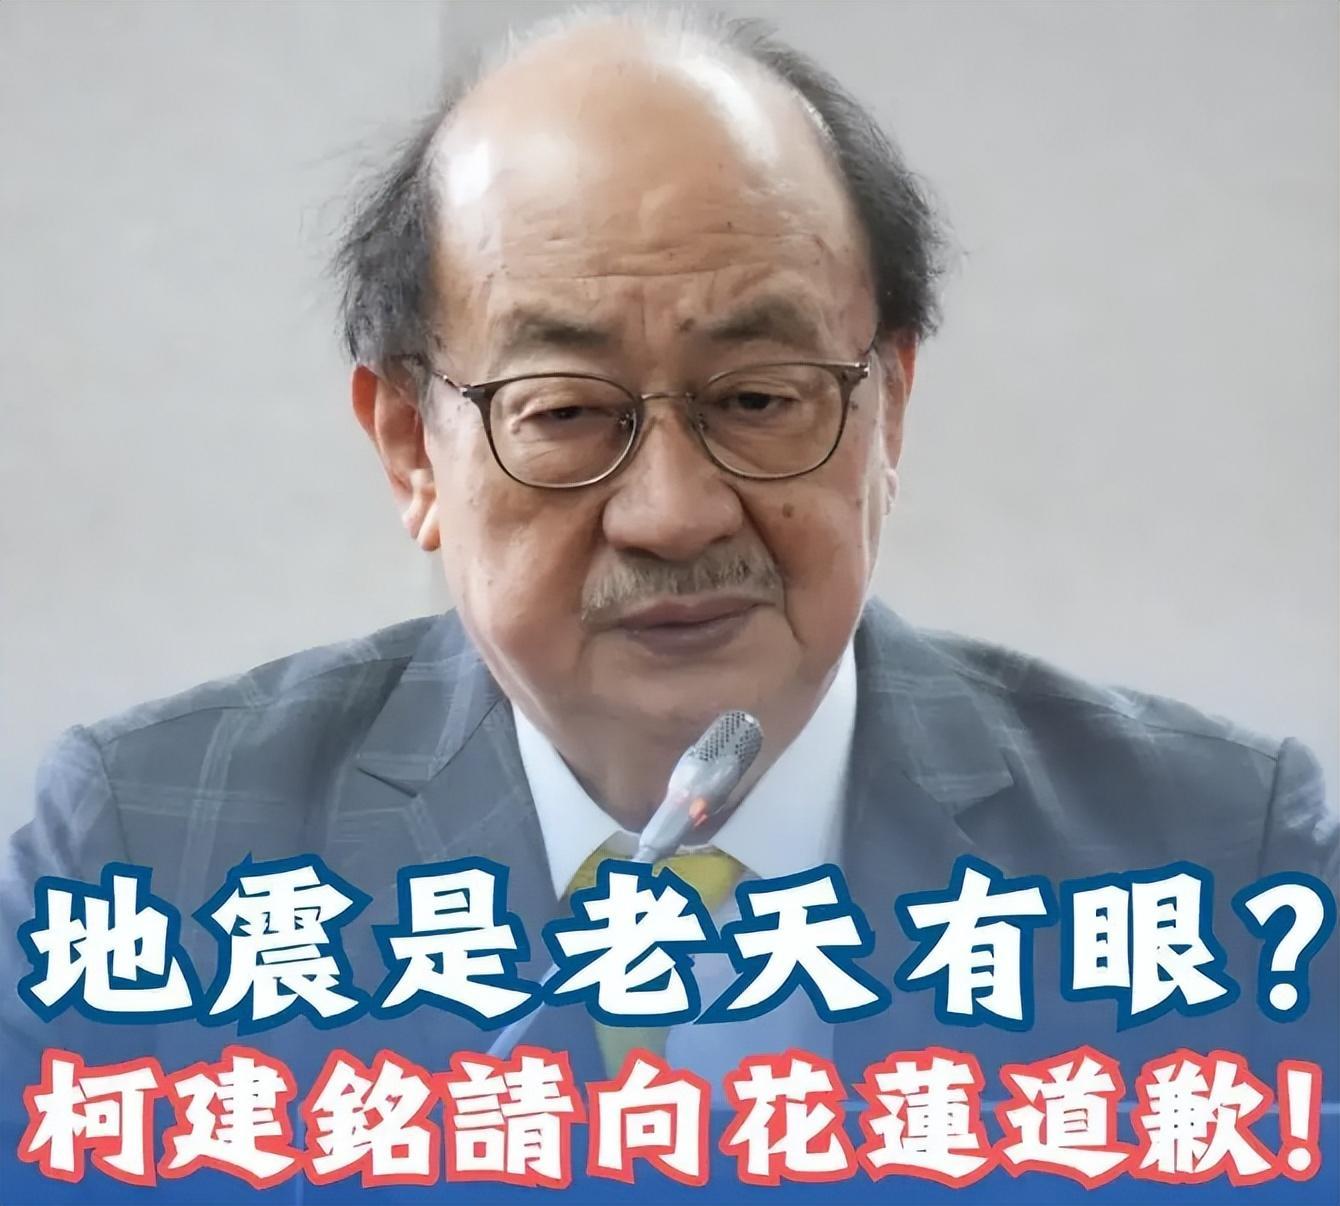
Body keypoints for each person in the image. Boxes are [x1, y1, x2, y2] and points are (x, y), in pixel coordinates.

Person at [3, 7, 1335, 1117]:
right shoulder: (152, 859)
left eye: (758, 400)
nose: (674, 514)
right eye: (566, 413)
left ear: (889, 409)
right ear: (412, 447)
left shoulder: (1217, 861)